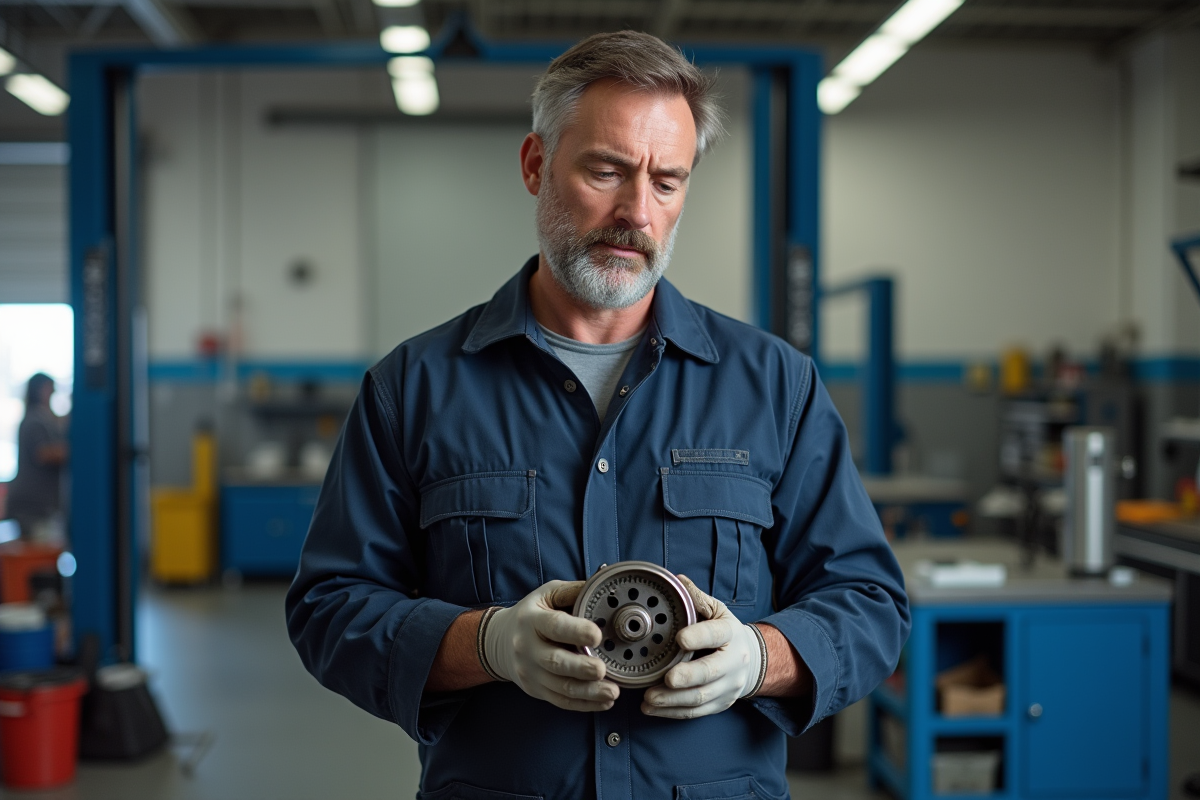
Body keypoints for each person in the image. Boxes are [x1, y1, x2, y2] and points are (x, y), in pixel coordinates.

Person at [287, 31, 909, 800]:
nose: (636, 213)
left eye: (668, 181)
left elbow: (870, 604)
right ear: (535, 165)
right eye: (607, 170)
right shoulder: (413, 387)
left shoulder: (775, 386)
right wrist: (486, 643)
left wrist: (761, 656)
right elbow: (330, 607)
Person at [7, 373, 67, 544]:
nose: (52, 393)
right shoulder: (34, 419)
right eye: (49, 388)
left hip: (42, 504)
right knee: (41, 554)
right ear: (38, 390)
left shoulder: (46, 418)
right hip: (32, 506)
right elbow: (44, 453)